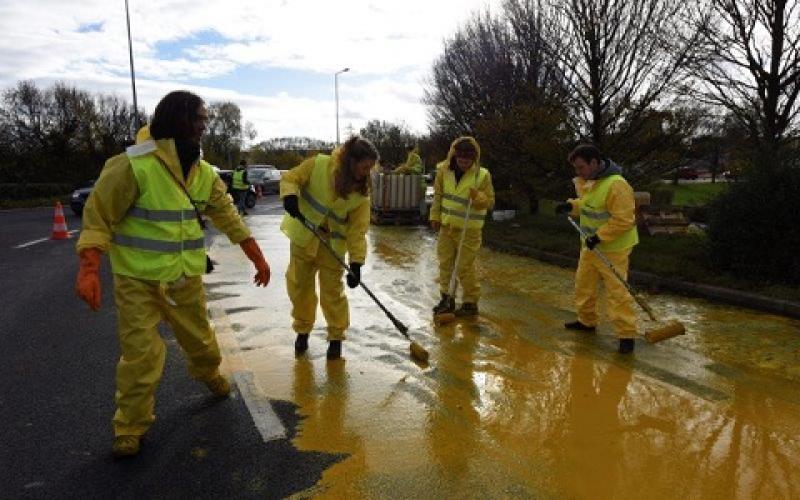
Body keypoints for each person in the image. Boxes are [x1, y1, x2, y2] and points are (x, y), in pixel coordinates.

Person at [75, 90, 271, 458]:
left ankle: (210, 373)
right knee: (140, 355)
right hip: (138, 280)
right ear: (179, 119)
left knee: (200, 339)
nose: (204, 125)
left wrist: (256, 255)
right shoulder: (133, 165)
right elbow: (98, 215)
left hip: (183, 278)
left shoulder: (203, 171)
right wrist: (89, 268)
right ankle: (130, 426)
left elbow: (227, 214)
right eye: (199, 118)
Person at [280, 136, 377, 361]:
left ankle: (335, 338)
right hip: (304, 238)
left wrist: (356, 262)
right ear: (350, 161)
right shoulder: (318, 165)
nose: (366, 172)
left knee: (332, 293)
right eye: (364, 167)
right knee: (300, 287)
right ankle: (302, 331)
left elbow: (357, 230)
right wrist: (290, 196)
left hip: (333, 247)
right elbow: (291, 178)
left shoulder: (362, 192)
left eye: (370, 168)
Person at [555, 143, 639, 354]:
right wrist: (571, 206)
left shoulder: (617, 185)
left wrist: (599, 237)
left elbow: (624, 220)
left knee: (617, 292)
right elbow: (588, 205)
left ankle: (626, 335)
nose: (578, 172)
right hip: (590, 246)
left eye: (581, 167)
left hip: (614, 249)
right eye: (576, 168)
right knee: (583, 284)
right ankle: (586, 321)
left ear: (595, 162)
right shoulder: (591, 182)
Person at [430, 137, 494, 317]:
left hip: (469, 230)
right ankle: (446, 298)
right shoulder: (444, 171)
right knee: (445, 263)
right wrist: (434, 216)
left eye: (468, 160)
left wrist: (479, 198)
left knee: (464, 266)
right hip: (446, 226)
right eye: (461, 159)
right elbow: (438, 195)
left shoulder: (482, 176)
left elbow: (489, 201)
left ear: (475, 158)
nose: (464, 163)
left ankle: (470, 302)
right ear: (454, 156)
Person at [393, 145, 427, 219]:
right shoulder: (413, 157)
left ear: (408, 151)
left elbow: (416, 169)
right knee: (419, 200)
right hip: (415, 184)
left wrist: (406, 169)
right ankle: (421, 215)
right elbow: (406, 168)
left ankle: (423, 216)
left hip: (419, 184)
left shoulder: (415, 157)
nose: (408, 154)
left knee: (421, 200)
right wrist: (397, 171)